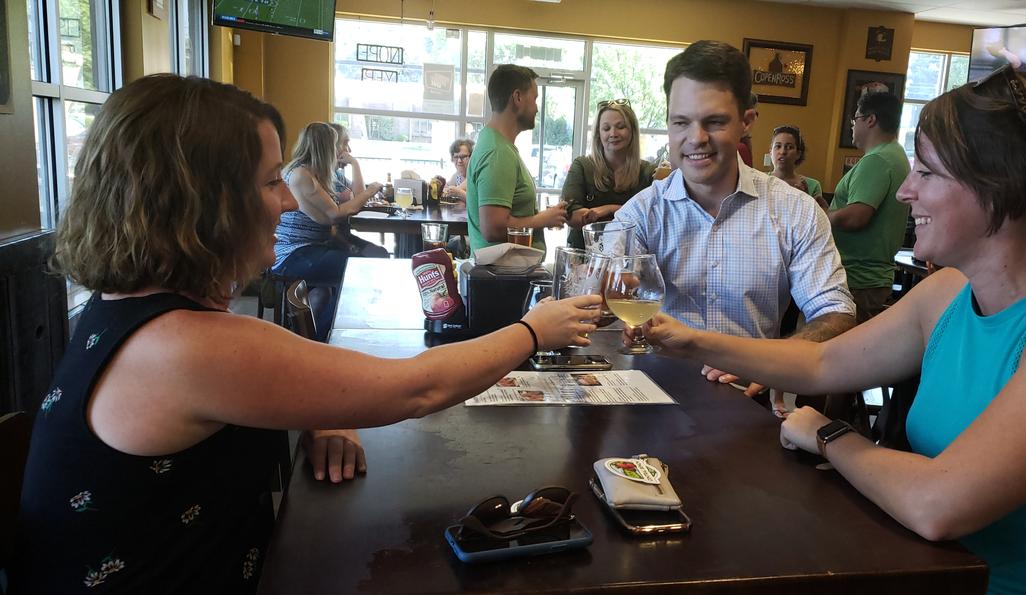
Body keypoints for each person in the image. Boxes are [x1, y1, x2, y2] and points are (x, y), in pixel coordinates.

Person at [12, 74, 601, 594]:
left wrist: (310, 406)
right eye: (272, 182)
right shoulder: (185, 347)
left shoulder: (125, 310)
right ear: (202, 202)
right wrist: (533, 329)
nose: (287, 200)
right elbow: (414, 390)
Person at [633, 67, 1026, 594]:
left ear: (999, 183)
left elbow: (936, 504)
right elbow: (824, 362)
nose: (905, 191)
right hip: (937, 574)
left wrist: (830, 435)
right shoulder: (950, 292)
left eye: (927, 172)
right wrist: (688, 340)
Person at [613, 40, 855, 399]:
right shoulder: (640, 213)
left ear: (746, 122)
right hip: (652, 396)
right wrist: (609, 297)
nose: (696, 138)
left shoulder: (795, 211)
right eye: (681, 122)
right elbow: (602, 285)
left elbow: (837, 314)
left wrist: (768, 361)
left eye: (714, 121)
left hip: (749, 398)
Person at [272, 122, 380, 341]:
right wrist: (368, 192)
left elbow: (326, 219)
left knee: (366, 261)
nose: (341, 152)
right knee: (355, 272)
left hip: (310, 248)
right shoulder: (300, 175)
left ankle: (326, 335)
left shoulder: (311, 173)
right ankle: (325, 339)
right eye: (337, 146)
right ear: (325, 148)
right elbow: (334, 214)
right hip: (292, 254)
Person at [828, 92, 912, 323]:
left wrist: (820, 215)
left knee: (831, 352)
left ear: (870, 120)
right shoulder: (895, 154)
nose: (852, 126)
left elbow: (856, 217)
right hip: (869, 278)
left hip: (857, 279)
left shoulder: (877, 160)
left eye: (855, 119)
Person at [467, 64, 567, 253]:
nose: (537, 108)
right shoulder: (498, 152)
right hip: (502, 276)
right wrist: (543, 219)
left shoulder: (496, 144)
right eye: (535, 98)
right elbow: (493, 228)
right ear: (518, 97)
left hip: (505, 274)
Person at [562, 99, 655, 249]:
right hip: (584, 257)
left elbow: (652, 220)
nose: (613, 133)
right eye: (606, 128)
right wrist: (623, 213)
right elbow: (570, 215)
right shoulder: (582, 166)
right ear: (598, 134)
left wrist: (607, 209)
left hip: (629, 260)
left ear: (632, 131)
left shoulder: (648, 172)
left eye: (620, 127)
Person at [329, 122, 389, 258]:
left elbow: (359, 196)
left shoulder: (337, 174)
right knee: (379, 255)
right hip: (331, 241)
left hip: (340, 236)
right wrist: (354, 163)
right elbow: (361, 196)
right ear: (331, 146)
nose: (349, 150)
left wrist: (355, 164)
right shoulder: (323, 176)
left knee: (381, 253)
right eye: (345, 144)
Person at [769, 125, 827, 210]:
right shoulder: (760, 180)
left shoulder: (812, 185)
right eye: (778, 146)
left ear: (798, 154)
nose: (782, 152)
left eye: (789, 147)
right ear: (771, 152)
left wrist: (805, 199)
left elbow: (817, 218)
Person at [443, 138, 473, 203]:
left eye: (463, 157)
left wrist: (458, 192)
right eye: (456, 157)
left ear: (472, 157)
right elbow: (447, 188)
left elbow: (476, 201)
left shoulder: (475, 176)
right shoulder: (457, 176)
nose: (459, 161)